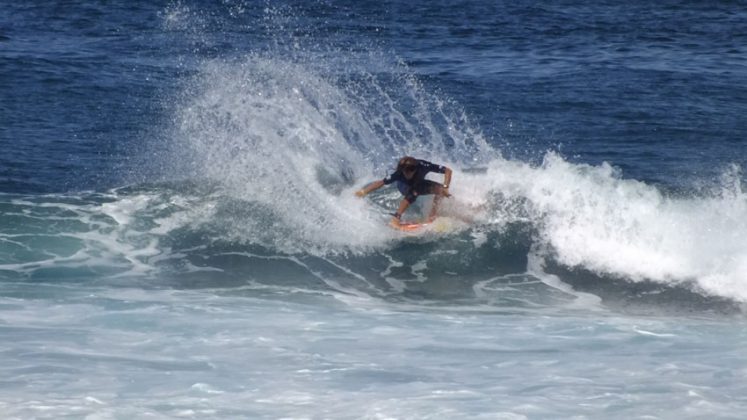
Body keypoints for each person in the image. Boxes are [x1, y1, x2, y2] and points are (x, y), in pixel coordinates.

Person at [355, 156, 452, 226]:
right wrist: (363, 192)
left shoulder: (424, 165)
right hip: (404, 187)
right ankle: (396, 218)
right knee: (414, 191)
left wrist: (446, 187)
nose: (405, 174)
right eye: (404, 172)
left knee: (441, 190)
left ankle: (432, 216)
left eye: (408, 172)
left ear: (414, 169)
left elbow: (448, 171)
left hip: (419, 183)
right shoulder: (398, 174)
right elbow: (381, 183)